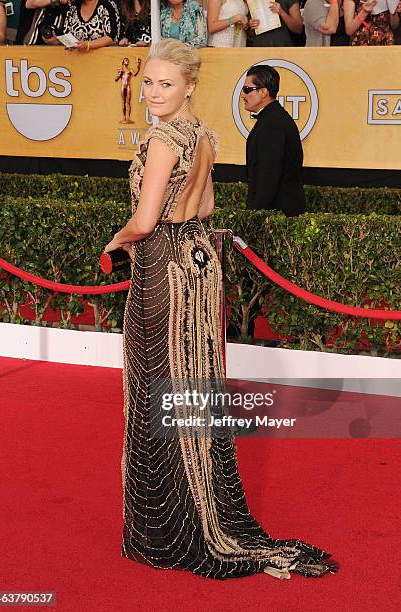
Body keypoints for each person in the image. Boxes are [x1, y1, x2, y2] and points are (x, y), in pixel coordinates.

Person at [103, 38, 338, 580]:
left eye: (166, 83)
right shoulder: (204, 135)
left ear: (189, 85)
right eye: (149, 82)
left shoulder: (163, 139)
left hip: (162, 265)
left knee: (157, 383)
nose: (154, 92)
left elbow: (143, 221)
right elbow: (205, 206)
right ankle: (207, 505)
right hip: (201, 263)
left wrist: (115, 244)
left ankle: (170, 524)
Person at [242, 64, 304, 216]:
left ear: (263, 92)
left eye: (247, 90)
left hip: (276, 216)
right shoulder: (274, 118)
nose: (243, 95)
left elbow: (268, 177)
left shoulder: (272, 124)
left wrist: (254, 216)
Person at [43, 0, 121, 49]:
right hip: (77, 62)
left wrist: (88, 45)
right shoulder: (73, 7)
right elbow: (68, 35)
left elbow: (112, 37)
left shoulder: (107, 5)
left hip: (105, 61)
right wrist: (57, 42)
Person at [115, 56, 142, 123]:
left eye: (127, 60)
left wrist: (138, 66)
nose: (127, 61)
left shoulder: (130, 70)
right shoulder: (121, 70)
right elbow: (116, 79)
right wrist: (119, 74)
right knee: (123, 103)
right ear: (123, 62)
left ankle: (128, 118)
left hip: (128, 87)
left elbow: (135, 74)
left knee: (128, 102)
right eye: (126, 60)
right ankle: (124, 117)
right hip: (123, 87)